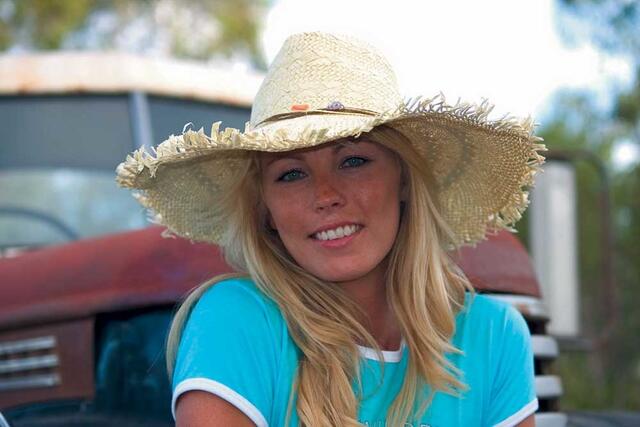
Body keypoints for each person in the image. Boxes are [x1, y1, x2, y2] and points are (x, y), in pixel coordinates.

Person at [117, 32, 545, 427]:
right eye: (291, 174)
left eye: (353, 161)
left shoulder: (494, 335)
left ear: (403, 180)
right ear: (265, 209)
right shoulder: (236, 319)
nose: (325, 195)